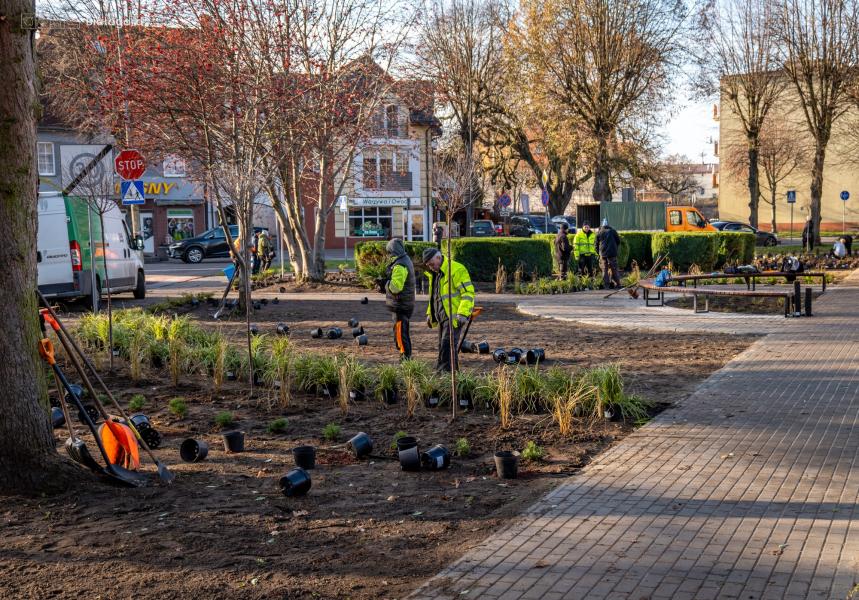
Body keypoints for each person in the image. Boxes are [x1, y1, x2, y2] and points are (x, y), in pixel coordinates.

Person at [423, 247, 475, 372]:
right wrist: (430, 314)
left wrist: (463, 313)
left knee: (447, 345)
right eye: (428, 265)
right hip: (441, 316)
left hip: (454, 316)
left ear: (438, 258)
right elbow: (434, 297)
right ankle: (452, 374)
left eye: (431, 264)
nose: (430, 267)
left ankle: (444, 375)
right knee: (443, 345)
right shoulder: (435, 274)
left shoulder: (456, 269)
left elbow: (468, 293)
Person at [383, 239, 416, 360]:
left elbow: (396, 287)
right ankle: (405, 355)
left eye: (389, 252)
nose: (388, 255)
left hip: (401, 306)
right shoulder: (405, 260)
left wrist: (385, 284)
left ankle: (405, 357)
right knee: (402, 331)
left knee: (400, 333)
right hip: (405, 304)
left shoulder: (400, 265)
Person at [596, 218, 622, 289]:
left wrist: (598, 253)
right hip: (612, 253)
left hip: (603, 253)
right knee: (614, 269)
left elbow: (596, 244)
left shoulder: (599, 232)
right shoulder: (613, 231)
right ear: (608, 224)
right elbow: (618, 241)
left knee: (604, 269)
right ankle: (618, 284)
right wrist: (615, 249)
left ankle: (606, 285)